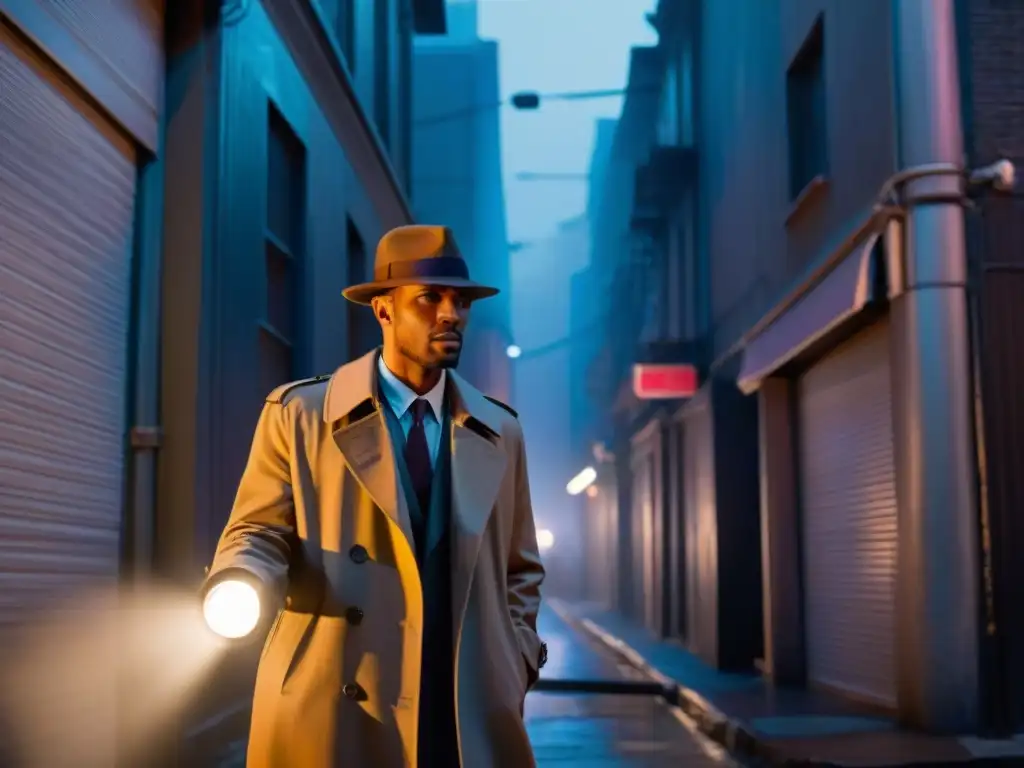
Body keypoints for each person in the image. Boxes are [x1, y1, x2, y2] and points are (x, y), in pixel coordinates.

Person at [203, 224, 547, 768]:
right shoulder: (301, 414)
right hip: (340, 695)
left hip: (461, 706)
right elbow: (258, 530)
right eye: (430, 298)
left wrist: (516, 656)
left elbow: (520, 570)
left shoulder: (500, 431)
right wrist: (241, 579)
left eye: (460, 301)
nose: (451, 314)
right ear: (383, 311)